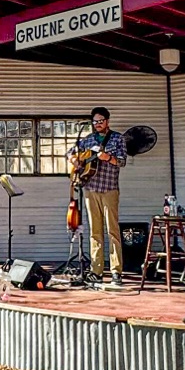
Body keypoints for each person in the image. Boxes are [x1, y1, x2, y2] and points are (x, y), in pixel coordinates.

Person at [75, 106, 128, 286]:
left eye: (101, 121)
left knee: (113, 230)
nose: (98, 124)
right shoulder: (88, 139)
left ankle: (116, 271)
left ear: (107, 121)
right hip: (90, 188)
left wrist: (108, 158)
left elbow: (122, 161)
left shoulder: (117, 138)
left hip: (109, 188)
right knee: (95, 232)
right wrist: (75, 160)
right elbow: (71, 154)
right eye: (95, 121)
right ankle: (96, 271)